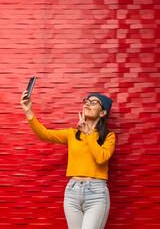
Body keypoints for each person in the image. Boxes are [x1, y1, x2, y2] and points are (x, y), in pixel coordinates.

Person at [20, 91, 115, 229]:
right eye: (87, 101)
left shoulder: (108, 136)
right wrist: (28, 111)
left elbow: (101, 158)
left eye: (94, 102)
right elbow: (44, 135)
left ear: (102, 113)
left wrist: (88, 133)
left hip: (96, 194)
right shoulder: (72, 134)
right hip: (72, 192)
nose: (88, 103)